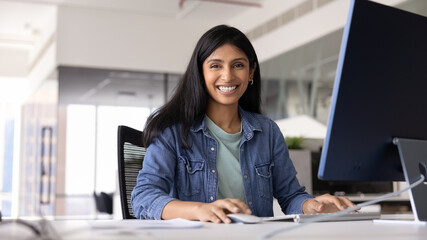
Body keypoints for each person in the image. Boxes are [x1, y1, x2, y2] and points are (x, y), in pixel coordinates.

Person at [131, 25, 354, 224]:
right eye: (215, 66)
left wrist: (312, 205)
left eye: (238, 65)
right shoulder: (173, 130)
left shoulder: (267, 131)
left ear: (251, 72)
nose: (227, 76)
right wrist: (200, 210)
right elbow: (144, 197)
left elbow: (291, 196)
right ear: (200, 74)